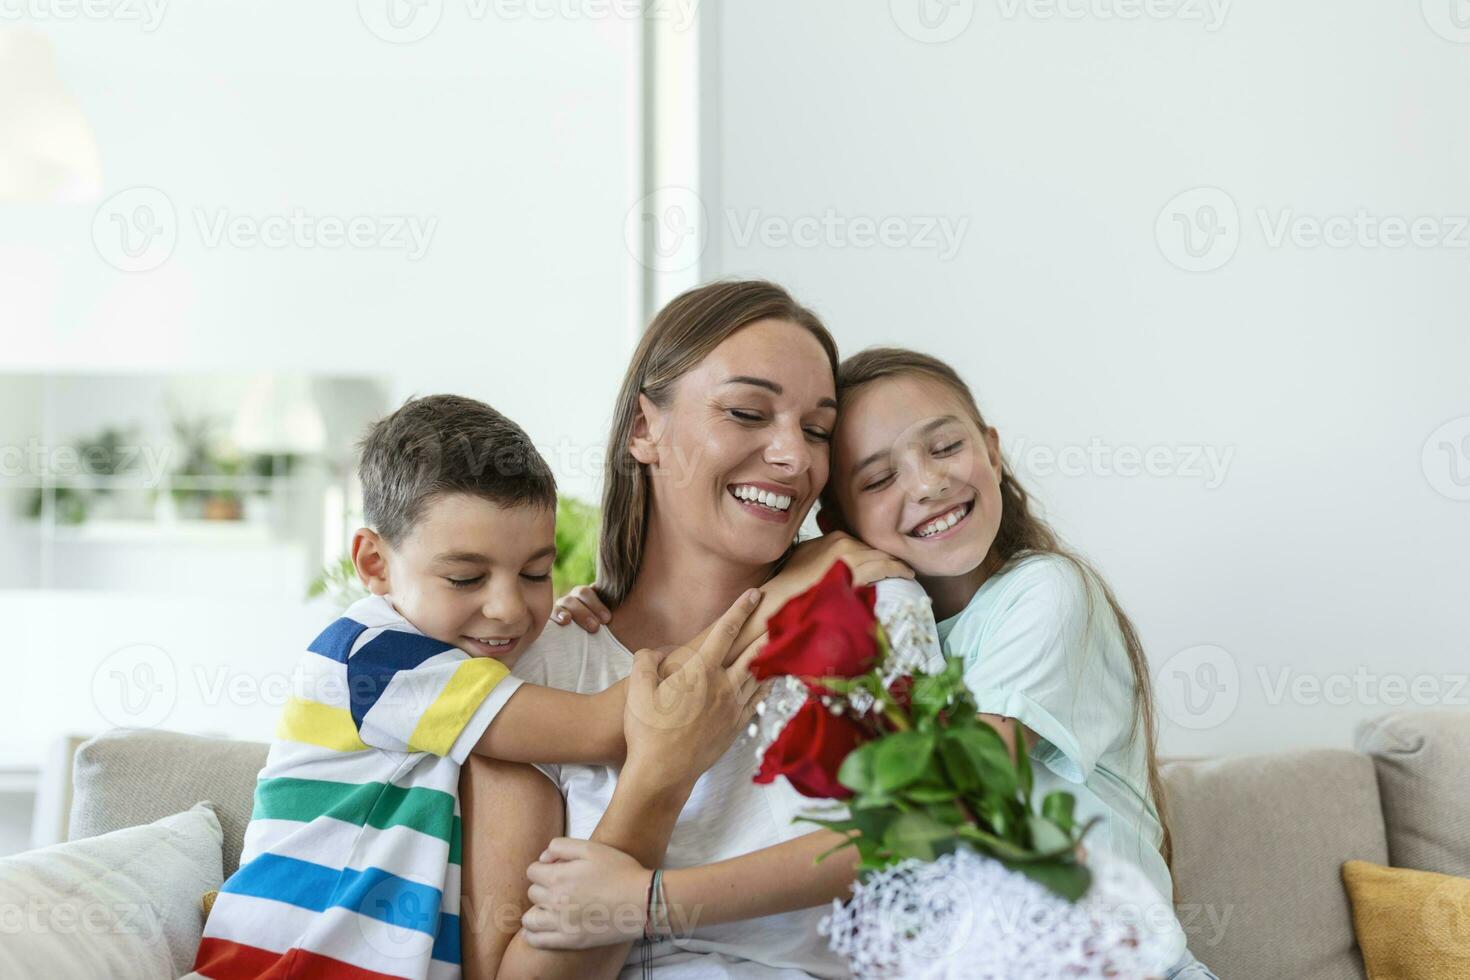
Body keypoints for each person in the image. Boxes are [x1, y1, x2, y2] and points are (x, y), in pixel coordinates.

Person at [544, 348, 1221, 979]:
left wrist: (652, 900)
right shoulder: (885, 634)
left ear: (991, 448)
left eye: (947, 446)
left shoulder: (1044, 592)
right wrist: (607, 605)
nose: (927, 484)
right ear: (837, 518)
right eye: (879, 477)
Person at [193, 394, 765, 980]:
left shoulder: (459, 672)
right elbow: (605, 724)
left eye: (535, 573)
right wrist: (794, 587)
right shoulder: (373, 657)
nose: (508, 608)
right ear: (374, 563)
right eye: (466, 577)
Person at [458, 280, 912, 979]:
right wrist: (660, 777)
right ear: (645, 430)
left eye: (817, 429)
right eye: (747, 412)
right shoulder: (541, 671)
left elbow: (912, 852)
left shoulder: (874, 607)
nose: (795, 457)